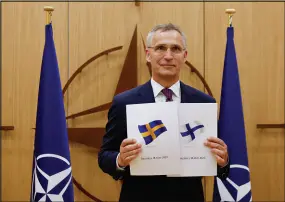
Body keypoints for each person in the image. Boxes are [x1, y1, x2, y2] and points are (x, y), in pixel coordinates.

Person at [98, 23, 229, 201]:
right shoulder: (124, 103)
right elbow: (105, 156)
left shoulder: (204, 103)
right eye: (160, 48)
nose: (168, 56)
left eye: (175, 49)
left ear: (184, 56)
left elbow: (221, 165)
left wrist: (223, 161)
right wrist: (120, 160)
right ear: (148, 54)